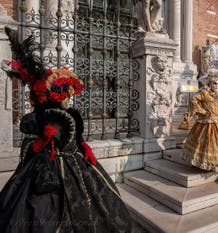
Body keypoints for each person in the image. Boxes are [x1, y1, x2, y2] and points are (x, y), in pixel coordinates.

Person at [0, 27, 132, 233]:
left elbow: (75, 136)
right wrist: (40, 143)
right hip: (45, 168)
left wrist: (84, 146)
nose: (69, 98)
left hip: (75, 163)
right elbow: (28, 147)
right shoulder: (39, 117)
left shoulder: (70, 115)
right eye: (65, 94)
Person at [183, 68, 218, 172]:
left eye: (217, 84)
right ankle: (202, 162)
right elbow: (193, 100)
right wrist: (202, 111)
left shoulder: (217, 93)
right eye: (214, 83)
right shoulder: (204, 92)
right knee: (203, 142)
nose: (216, 86)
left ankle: (215, 163)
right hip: (205, 122)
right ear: (209, 83)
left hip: (217, 121)